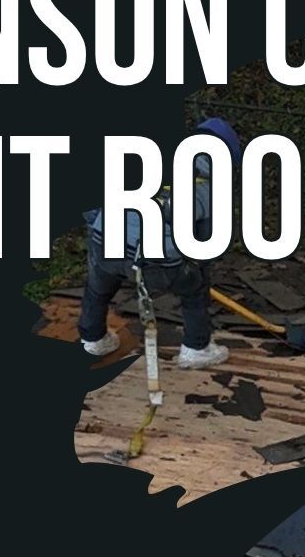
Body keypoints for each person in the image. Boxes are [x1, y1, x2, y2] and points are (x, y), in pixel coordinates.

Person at [78, 117, 241, 370]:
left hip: (106, 245)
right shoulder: (209, 189)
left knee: (97, 289)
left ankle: (93, 340)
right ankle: (196, 349)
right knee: (196, 288)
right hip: (156, 261)